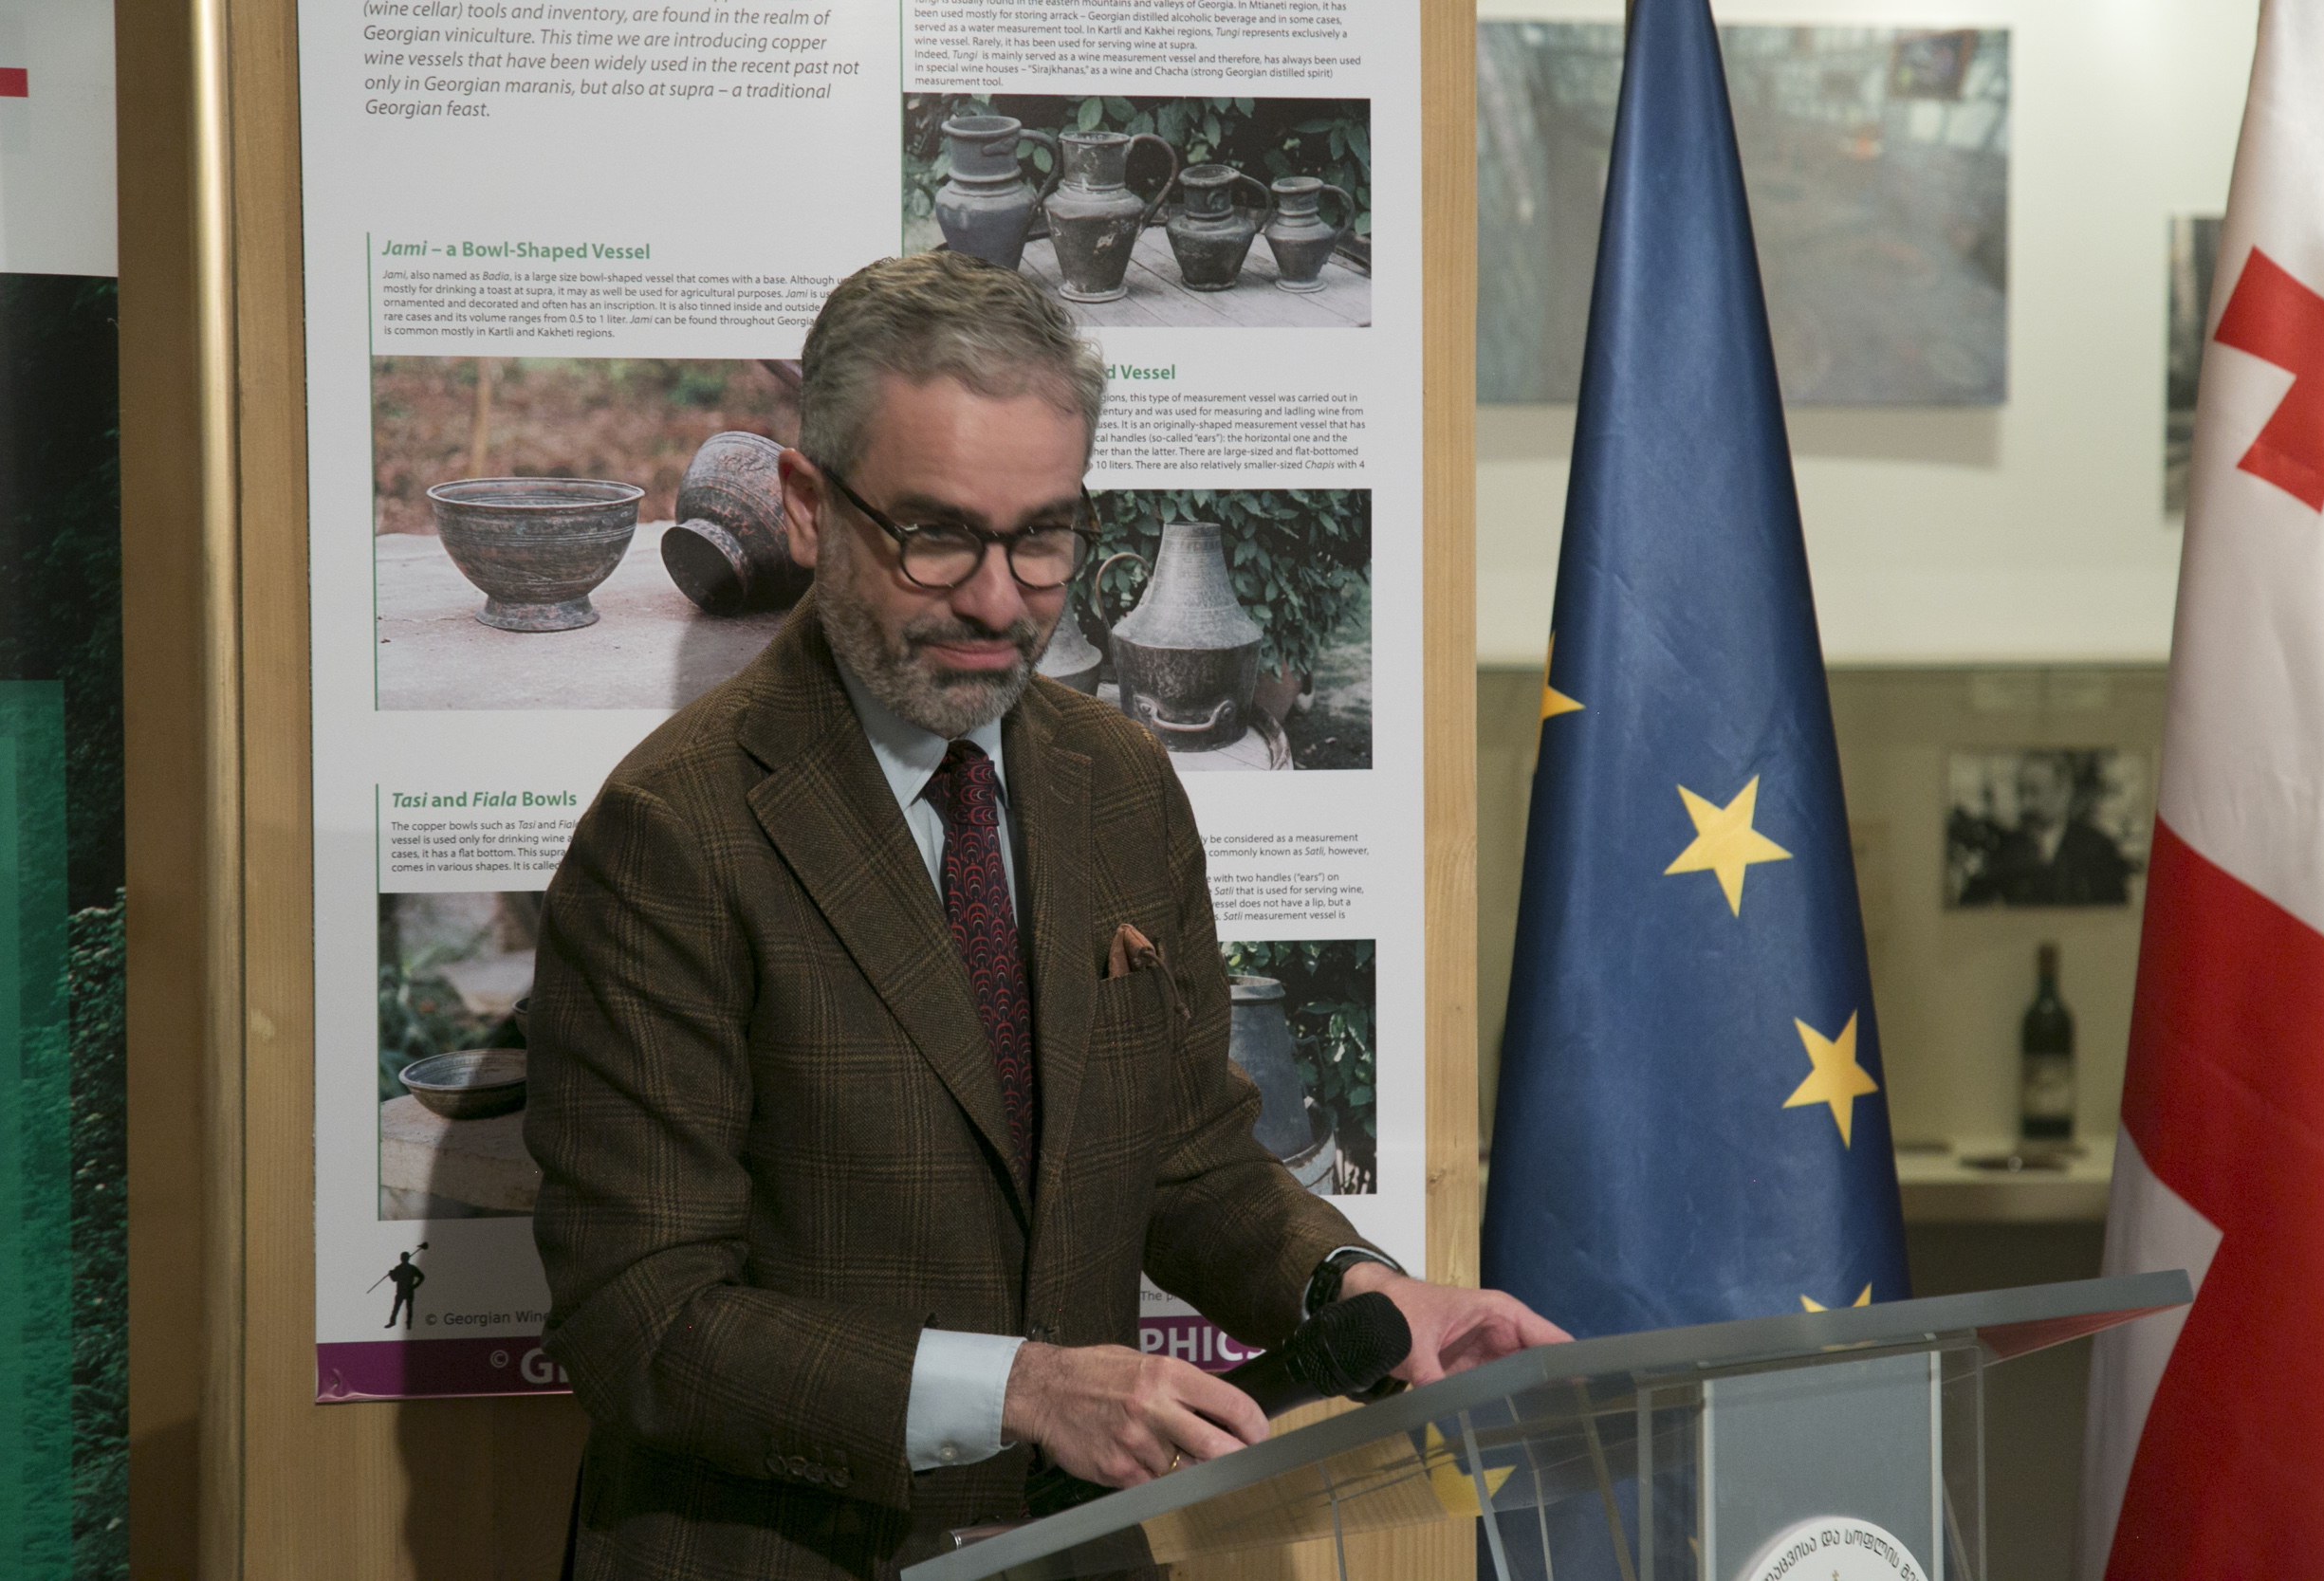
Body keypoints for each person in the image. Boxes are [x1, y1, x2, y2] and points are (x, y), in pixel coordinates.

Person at [526, 251, 1568, 1579]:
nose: (997, 597)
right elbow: (642, 1320)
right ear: (807, 505)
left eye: (1043, 535)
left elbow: (1187, 1155)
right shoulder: (672, 830)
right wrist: (1018, 1386)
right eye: (936, 534)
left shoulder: (1118, 779)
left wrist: (1354, 1286)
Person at [1956, 753, 2130, 907]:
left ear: (2063, 793)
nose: (2026, 804)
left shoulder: (2098, 849)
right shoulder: (2004, 849)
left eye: (2034, 792)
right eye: (2021, 792)